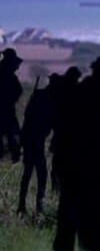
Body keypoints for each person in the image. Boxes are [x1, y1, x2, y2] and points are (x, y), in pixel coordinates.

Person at [53, 56, 100, 251]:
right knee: (88, 222)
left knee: (70, 220)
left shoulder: (80, 96)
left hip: (77, 170)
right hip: (91, 171)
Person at [17, 77, 53, 215]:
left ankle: (23, 206)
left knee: (28, 173)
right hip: (35, 141)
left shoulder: (39, 96)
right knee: (41, 174)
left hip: (30, 140)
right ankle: (38, 207)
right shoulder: (46, 99)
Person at [0, 48, 23, 163]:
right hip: (6, 112)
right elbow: (18, 91)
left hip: (7, 111)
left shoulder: (8, 74)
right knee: (13, 137)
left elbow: (18, 91)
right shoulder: (9, 76)